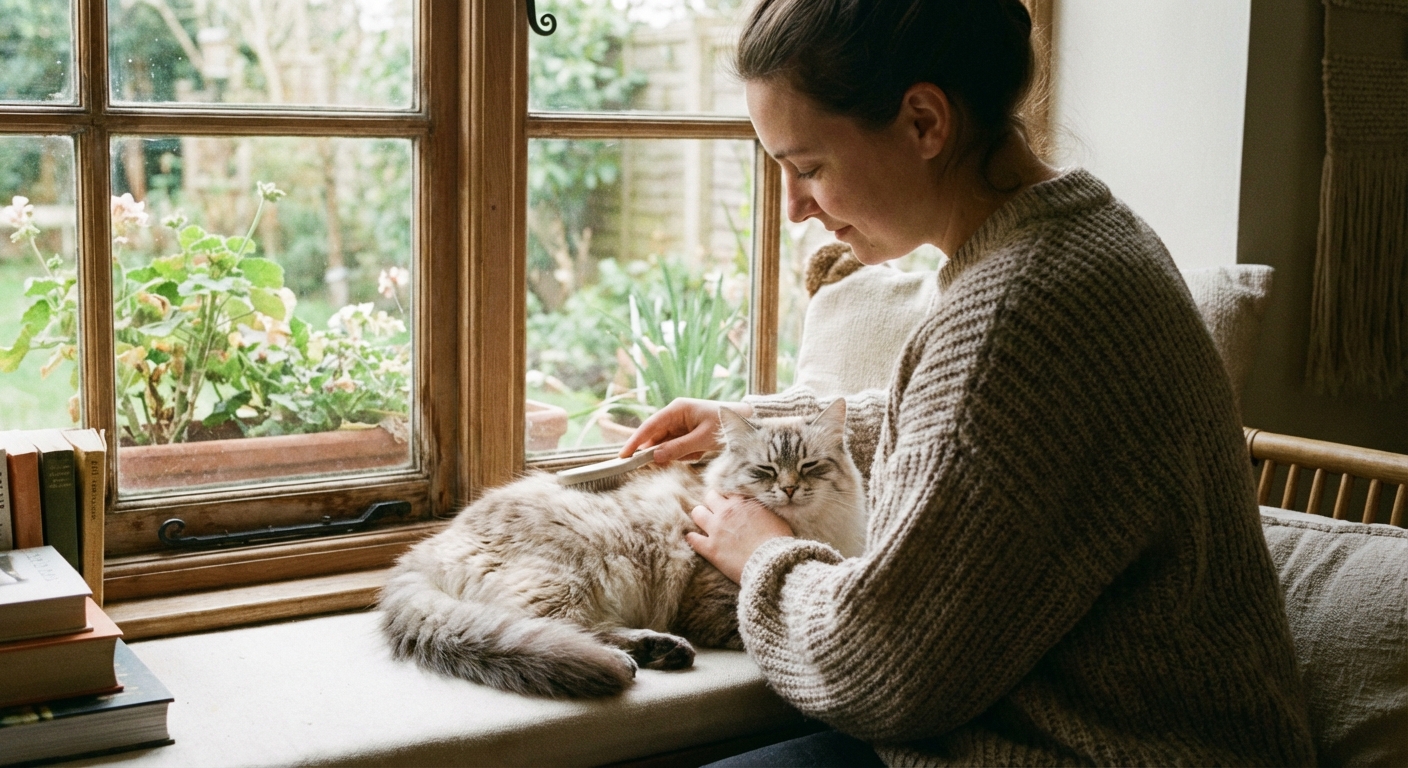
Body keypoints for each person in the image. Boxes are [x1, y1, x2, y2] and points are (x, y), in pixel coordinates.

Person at [620, 0, 1316, 765]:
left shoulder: (1015, 312)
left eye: (808, 168)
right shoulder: (1087, 233)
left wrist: (761, 555)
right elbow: (996, 443)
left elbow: (877, 669)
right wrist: (764, 427)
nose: (792, 210)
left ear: (924, 122)